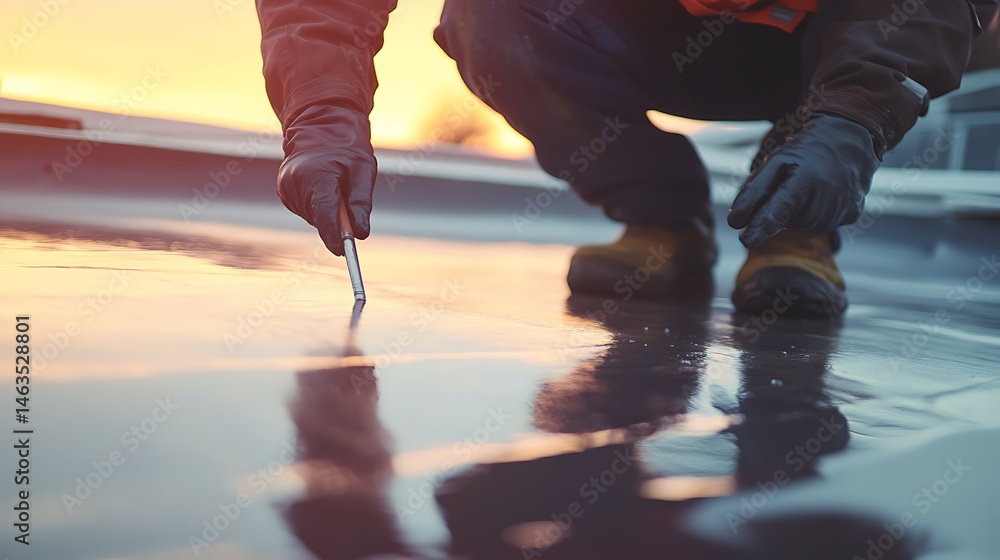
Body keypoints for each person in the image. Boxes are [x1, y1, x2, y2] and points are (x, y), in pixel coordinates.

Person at [255, 0, 999, 318]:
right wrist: (322, 113)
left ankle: (793, 231)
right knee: (493, 18)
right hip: (653, 30)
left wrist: (853, 118)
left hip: (837, 41)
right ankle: (663, 227)